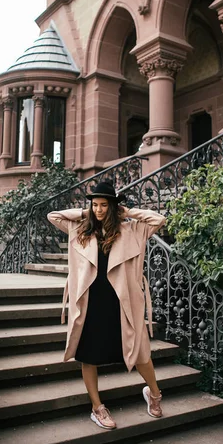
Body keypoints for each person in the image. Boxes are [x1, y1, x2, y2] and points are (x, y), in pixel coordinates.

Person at [47, 180, 167, 430]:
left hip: (121, 301)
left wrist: (128, 211)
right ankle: (97, 407)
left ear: (113, 207)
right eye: (95, 205)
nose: (98, 210)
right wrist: (83, 213)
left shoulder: (132, 230)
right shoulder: (80, 230)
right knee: (88, 355)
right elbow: (53, 216)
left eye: (104, 205)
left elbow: (159, 219)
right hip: (90, 301)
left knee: (140, 351)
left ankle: (154, 394)